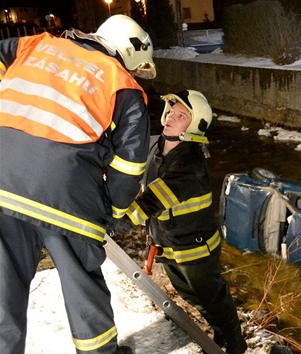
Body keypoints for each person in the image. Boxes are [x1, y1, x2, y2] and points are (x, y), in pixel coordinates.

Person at [0, 15, 155, 354]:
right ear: (130, 52)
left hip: (2, 180)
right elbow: (129, 168)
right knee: (82, 282)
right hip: (66, 194)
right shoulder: (123, 85)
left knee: (3, 286)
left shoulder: (36, 45)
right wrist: (112, 214)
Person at [118, 90, 248, 353]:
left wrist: (115, 222)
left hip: (195, 249)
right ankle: (219, 333)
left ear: (194, 125)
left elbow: (153, 200)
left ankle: (236, 345)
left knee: (213, 299)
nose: (170, 118)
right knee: (192, 297)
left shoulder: (190, 160)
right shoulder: (158, 146)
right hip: (169, 244)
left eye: (181, 115)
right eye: (170, 111)